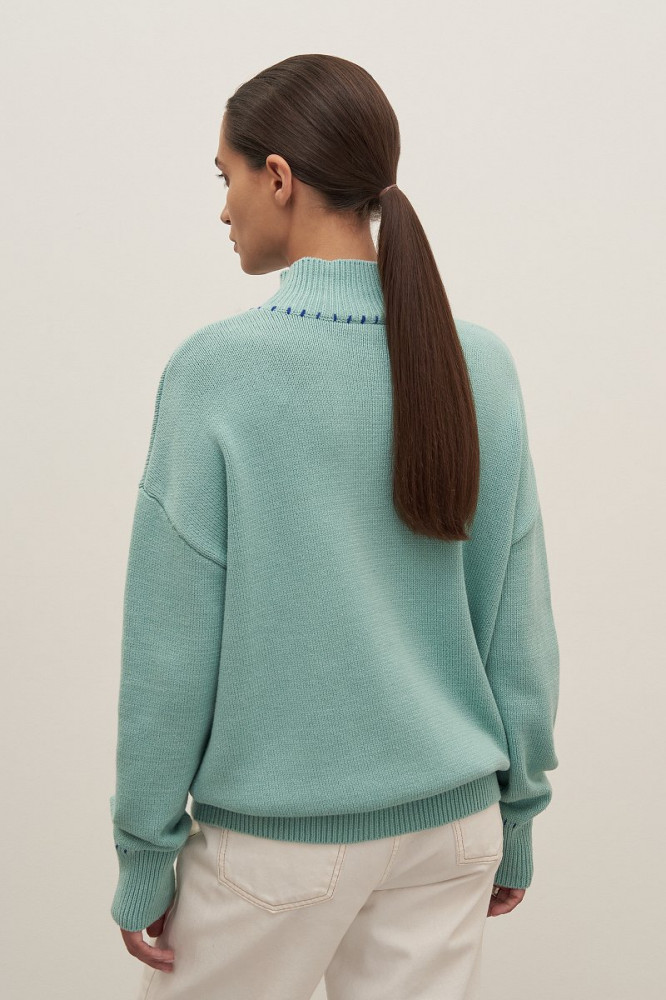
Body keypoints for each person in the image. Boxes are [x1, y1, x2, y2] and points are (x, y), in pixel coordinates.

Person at [109, 53, 560, 1000]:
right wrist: (517, 815)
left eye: (227, 177)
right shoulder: (481, 363)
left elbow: (169, 651)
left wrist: (145, 849)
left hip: (276, 847)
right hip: (451, 833)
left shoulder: (217, 374)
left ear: (279, 177)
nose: (223, 208)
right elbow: (517, 622)